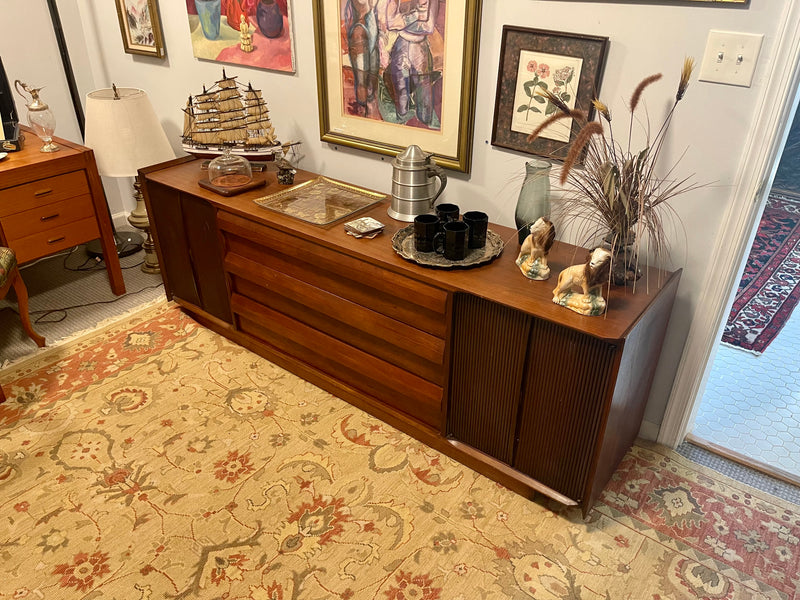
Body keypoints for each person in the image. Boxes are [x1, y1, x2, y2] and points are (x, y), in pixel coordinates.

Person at [379, 0, 439, 126]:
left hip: (420, 48)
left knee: (424, 93)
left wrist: (403, 20)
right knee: (400, 91)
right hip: (401, 46)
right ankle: (402, 119)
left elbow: (429, 26)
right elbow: (391, 23)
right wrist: (417, 15)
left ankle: (425, 122)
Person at [344, 0, 379, 116]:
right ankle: (363, 111)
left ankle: (367, 108)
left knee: (373, 75)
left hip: (371, 28)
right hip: (359, 31)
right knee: (362, 78)